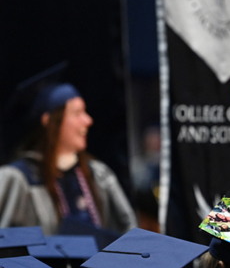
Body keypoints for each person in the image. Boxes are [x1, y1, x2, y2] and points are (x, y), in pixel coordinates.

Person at [0, 79, 137, 236]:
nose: (88, 120)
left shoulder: (98, 175)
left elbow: (128, 229)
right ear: (49, 121)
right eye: (77, 113)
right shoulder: (19, 179)